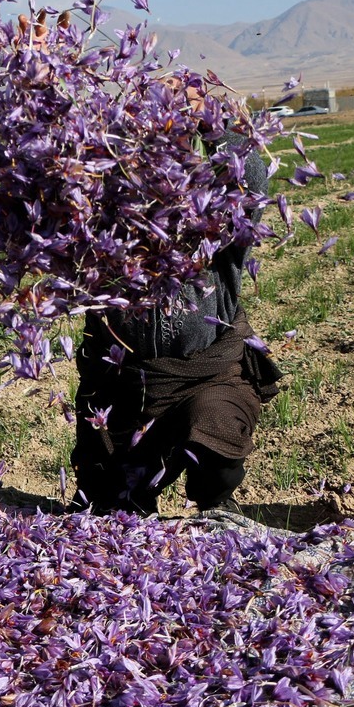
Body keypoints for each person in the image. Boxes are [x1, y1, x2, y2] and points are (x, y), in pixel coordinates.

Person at [71, 99, 282, 517]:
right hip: (127, 391)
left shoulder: (213, 228)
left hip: (209, 377)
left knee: (216, 444)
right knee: (112, 508)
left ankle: (216, 499)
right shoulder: (102, 236)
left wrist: (214, 125)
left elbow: (251, 184)